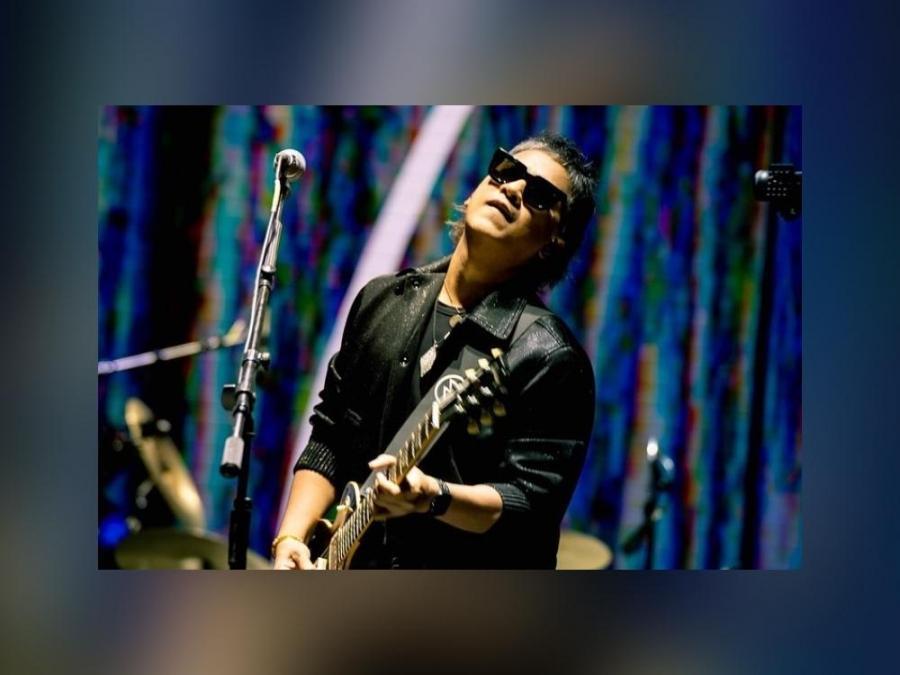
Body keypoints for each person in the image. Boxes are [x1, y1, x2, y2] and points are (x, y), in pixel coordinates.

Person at [273, 132, 597, 569]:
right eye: (506, 171)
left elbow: (529, 508)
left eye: (539, 195)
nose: (513, 189)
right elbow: (330, 435)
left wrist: (434, 497)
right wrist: (292, 535)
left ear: (554, 241)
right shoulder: (382, 302)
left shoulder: (549, 356)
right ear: (477, 189)